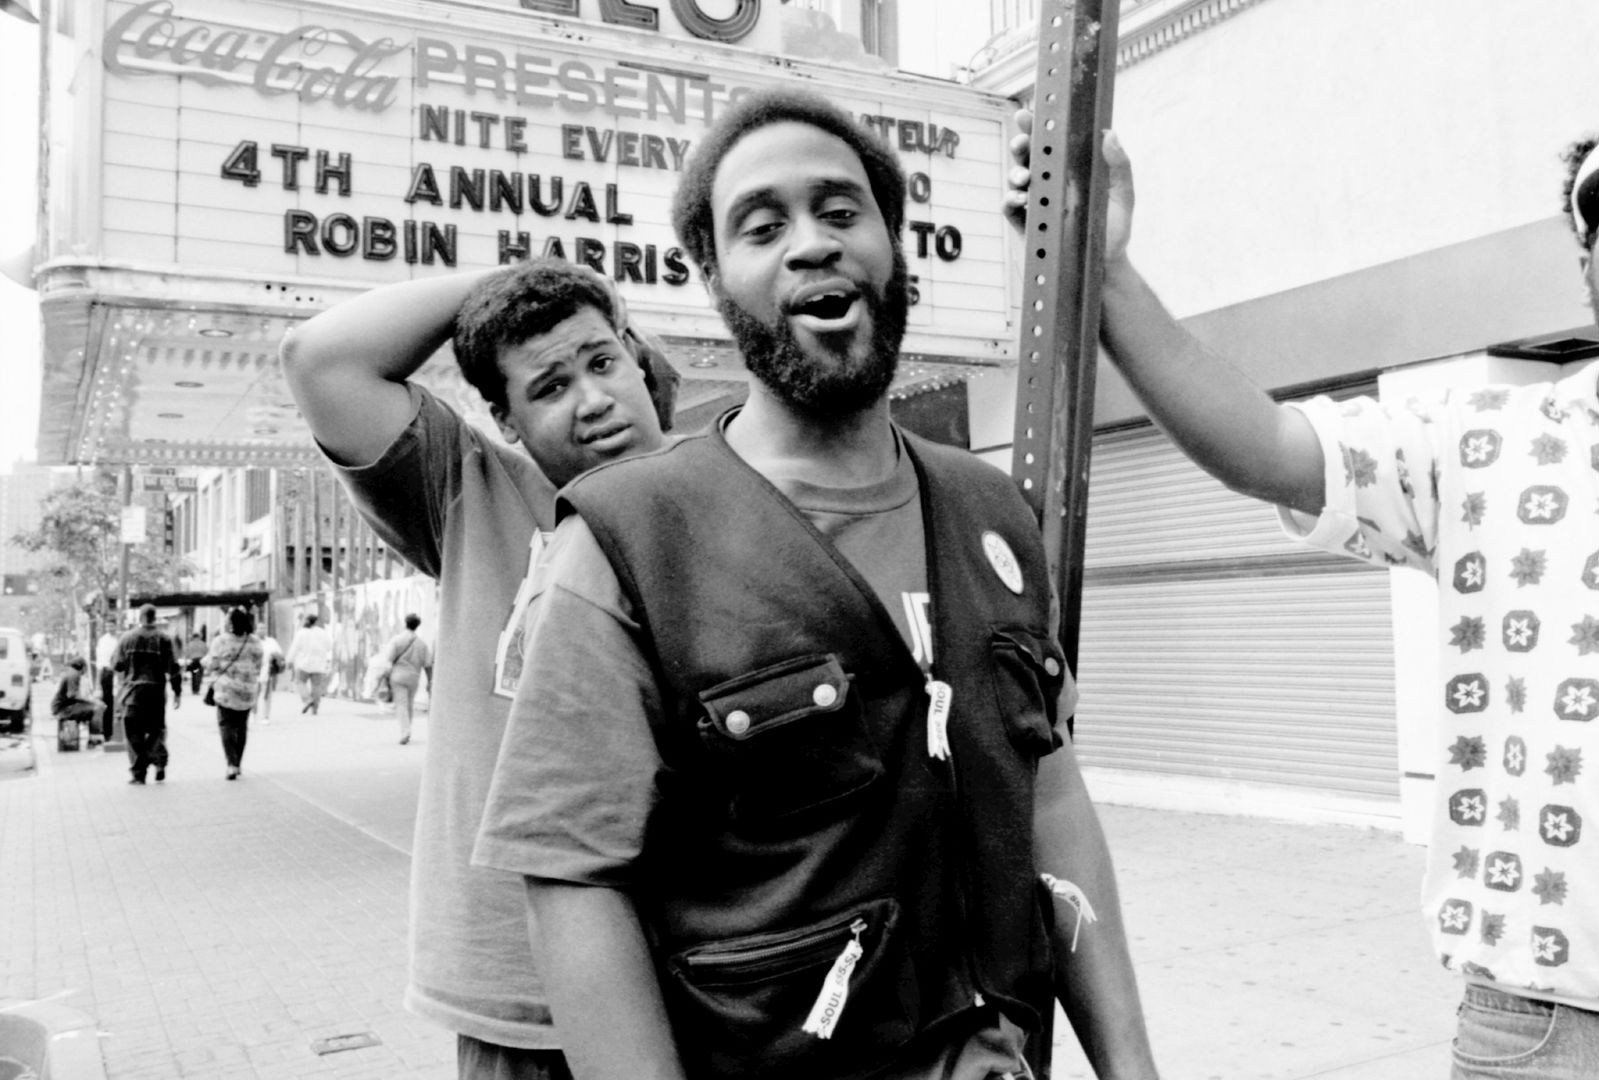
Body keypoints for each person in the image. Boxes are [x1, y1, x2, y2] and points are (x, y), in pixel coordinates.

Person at [1006, 95, 1599, 1078]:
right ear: (1588, 261)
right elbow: (1264, 446)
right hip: (1552, 1039)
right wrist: (1105, 275)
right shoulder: (1480, 445)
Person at [473, 88, 1159, 1080]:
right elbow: (576, 886)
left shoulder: (994, 513)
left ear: (894, 245)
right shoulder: (628, 544)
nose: (812, 243)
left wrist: (1133, 1069)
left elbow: (1050, 798)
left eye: (842, 212)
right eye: (763, 225)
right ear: (715, 281)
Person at [280, 257, 677, 1078]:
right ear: (505, 418)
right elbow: (321, 360)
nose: (594, 400)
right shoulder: (470, 487)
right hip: (518, 997)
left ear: (638, 360)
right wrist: (522, 283)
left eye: (603, 362)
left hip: (702, 974)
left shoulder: (725, 497)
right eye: (550, 386)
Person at [111, 604, 180, 784]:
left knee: (133, 732)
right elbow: (173, 668)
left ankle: (139, 771)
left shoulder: (127, 638)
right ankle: (158, 762)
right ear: (154, 617)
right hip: (156, 692)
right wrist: (177, 692)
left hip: (133, 693)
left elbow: (116, 664)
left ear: (140, 617)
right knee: (156, 731)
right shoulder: (164, 639)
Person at [203, 608, 265, 780]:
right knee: (241, 726)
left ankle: (231, 764)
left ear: (230, 623)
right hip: (248, 690)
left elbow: (213, 665)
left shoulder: (221, 641)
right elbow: (259, 663)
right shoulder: (254, 641)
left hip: (226, 691)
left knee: (226, 725)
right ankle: (238, 764)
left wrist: (205, 663)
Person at [382, 614, 433, 746]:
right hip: (414, 677)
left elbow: (389, 658)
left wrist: (385, 674)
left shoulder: (397, 640)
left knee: (401, 704)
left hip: (398, 676)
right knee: (409, 704)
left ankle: (405, 731)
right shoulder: (422, 644)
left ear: (406, 623)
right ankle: (407, 729)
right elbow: (428, 665)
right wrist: (430, 681)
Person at [50, 656, 99, 749]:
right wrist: (89, 701)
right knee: (95, 709)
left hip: (61, 707)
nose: (86, 670)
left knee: (89, 707)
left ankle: (92, 739)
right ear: (82, 667)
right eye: (85, 667)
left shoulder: (71, 673)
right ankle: (93, 740)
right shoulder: (74, 674)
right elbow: (72, 695)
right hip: (63, 709)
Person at [287, 613, 331, 714]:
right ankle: (315, 709)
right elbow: (329, 647)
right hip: (319, 665)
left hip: (303, 664)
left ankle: (307, 701)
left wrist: (289, 660)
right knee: (316, 686)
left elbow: (294, 648)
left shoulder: (301, 633)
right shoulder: (323, 633)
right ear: (316, 622)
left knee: (299, 682)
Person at [257, 630, 285, 724]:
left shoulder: (271, 641)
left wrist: (275, 657)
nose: (262, 630)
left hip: (267, 670)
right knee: (254, 694)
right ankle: (253, 714)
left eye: (263, 628)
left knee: (267, 694)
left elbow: (279, 653)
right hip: (255, 671)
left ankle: (265, 716)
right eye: (259, 628)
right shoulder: (252, 641)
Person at [182, 628, 209, 695]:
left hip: (193, 662)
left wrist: (185, 664)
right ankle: (197, 689)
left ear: (193, 637)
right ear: (199, 637)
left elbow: (186, 654)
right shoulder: (203, 644)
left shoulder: (190, 644)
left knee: (194, 675)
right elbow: (207, 653)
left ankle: (194, 690)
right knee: (199, 676)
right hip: (200, 661)